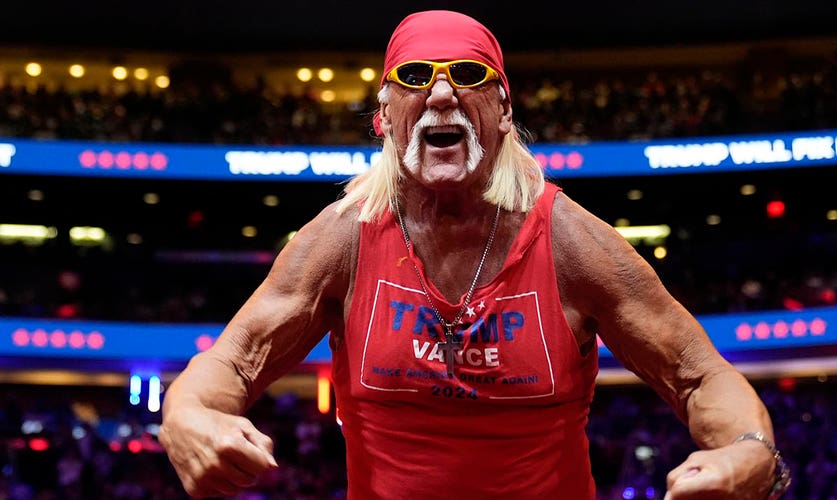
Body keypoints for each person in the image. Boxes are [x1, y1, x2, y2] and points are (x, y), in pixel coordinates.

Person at [159, 10, 791, 500]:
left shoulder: (572, 243)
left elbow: (700, 375)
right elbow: (233, 361)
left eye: (468, 76)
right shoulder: (344, 239)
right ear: (385, 113)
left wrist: (749, 450)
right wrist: (185, 412)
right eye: (414, 77)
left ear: (503, 110)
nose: (441, 94)